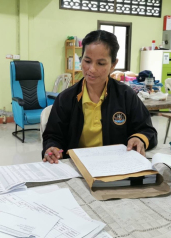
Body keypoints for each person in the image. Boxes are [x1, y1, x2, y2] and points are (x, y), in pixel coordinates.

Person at [42, 30, 157, 164]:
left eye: (101, 63)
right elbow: (53, 135)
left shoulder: (126, 96)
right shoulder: (66, 98)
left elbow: (147, 130)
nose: (92, 69)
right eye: (87, 61)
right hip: (77, 167)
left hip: (116, 165)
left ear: (113, 65)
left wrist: (140, 139)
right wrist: (52, 148)